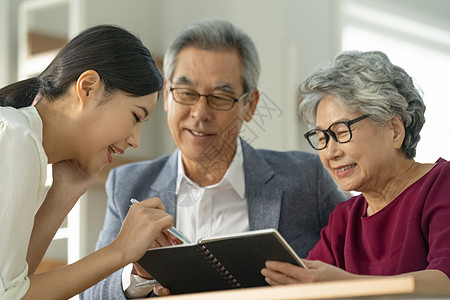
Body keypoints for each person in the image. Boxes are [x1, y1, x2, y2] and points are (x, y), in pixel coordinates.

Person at [81, 19, 346, 299]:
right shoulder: (130, 184)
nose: (200, 113)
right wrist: (137, 276)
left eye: (220, 97)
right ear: (168, 95)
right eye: (186, 93)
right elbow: (91, 294)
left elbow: (363, 269)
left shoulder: (307, 178)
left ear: (251, 105)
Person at [0, 25, 176, 300]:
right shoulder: (16, 140)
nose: (135, 141)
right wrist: (120, 251)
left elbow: (14, 283)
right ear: (89, 87)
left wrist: (66, 189)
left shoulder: (23, 142)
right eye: (135, 116)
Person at [261, 51, 450, 290]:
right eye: (321, 138)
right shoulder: (344, 219)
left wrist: (346, 285)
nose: (330, 152)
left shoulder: (442, 185)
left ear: (394, 130)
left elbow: (445, 282)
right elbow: (306, 287)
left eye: (341, 133)